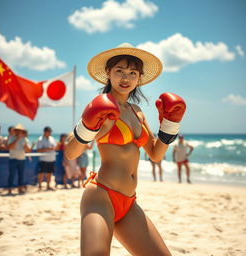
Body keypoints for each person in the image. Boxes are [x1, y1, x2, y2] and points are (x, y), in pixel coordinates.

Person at [65, 42, 186, 255]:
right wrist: (88, 127)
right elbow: (71, 152)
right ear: (108, 73)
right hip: (101, 197)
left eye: (132, 73)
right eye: (119, 71)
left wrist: (169, 125)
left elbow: (156, 155)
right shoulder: (102, 107)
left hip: (129, 202)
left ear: (138, 78)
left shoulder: (137, 111)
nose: (125, 78)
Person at [7, 123, 31, 194]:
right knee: (12, 175)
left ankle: (20, 189)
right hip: (13, 159)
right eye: (17, 130)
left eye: (20, 131)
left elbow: (28, 150)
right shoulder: (11, 137)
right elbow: (10, 147)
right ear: (15, 131)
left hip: (22, 159)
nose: (19, 132)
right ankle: (10, 190)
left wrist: (26, 146)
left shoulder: (25, 139)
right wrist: (17, 139)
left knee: (21, 175)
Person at [37, 126, 57, 191]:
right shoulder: (40, 139)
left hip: (51, 158)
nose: (50, 133)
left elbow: (55, 147)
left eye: (50, 132)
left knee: (50, 173)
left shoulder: (52, 138)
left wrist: (56, 147)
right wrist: (49, 149)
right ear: (45, 132)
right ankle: (40, 186)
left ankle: (48, 185)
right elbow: (39, 150)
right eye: (49, 132)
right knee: (41, 173)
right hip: (43, 159)